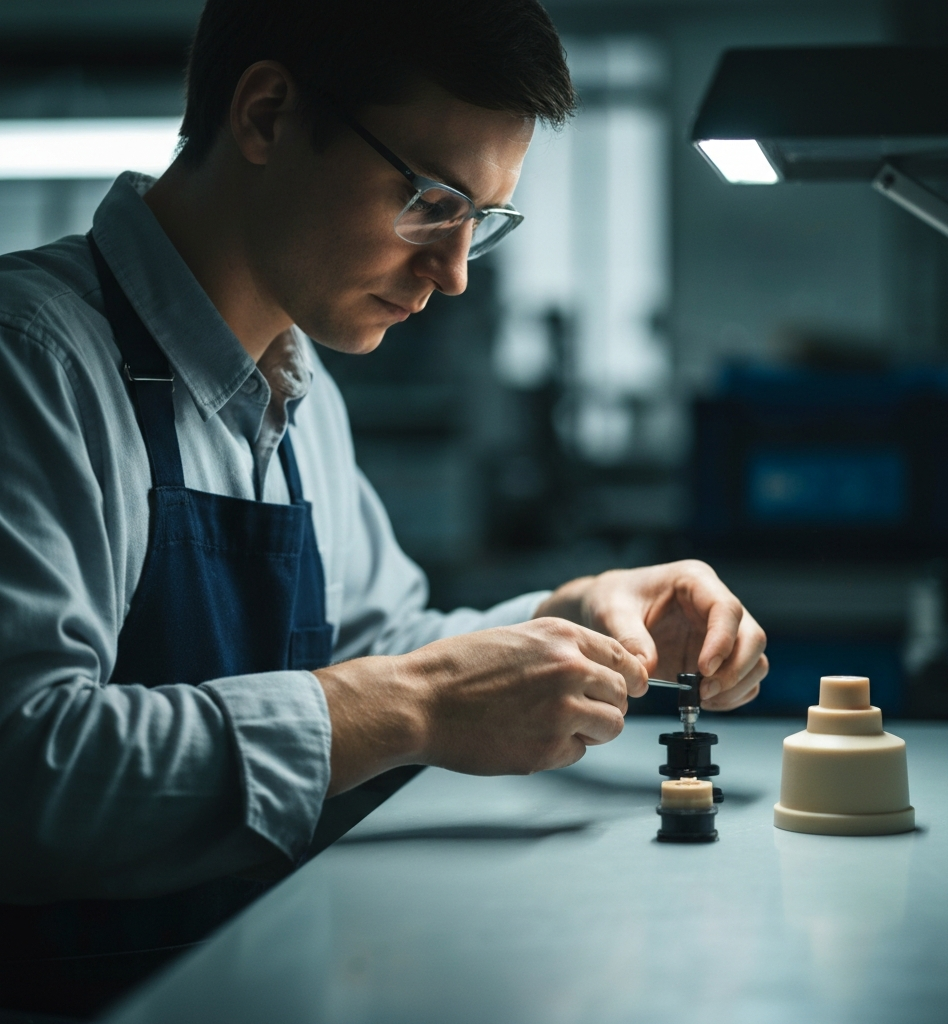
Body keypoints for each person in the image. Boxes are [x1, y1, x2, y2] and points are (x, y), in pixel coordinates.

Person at [0, 0, 767, 1014]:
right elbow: (27, 772)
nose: (451, 274)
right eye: (431, 201)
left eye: (480, 223)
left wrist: (577, 618)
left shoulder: (292, 382)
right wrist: (413, 705)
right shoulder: (34, 364)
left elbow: (379, 641)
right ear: (268, 115)